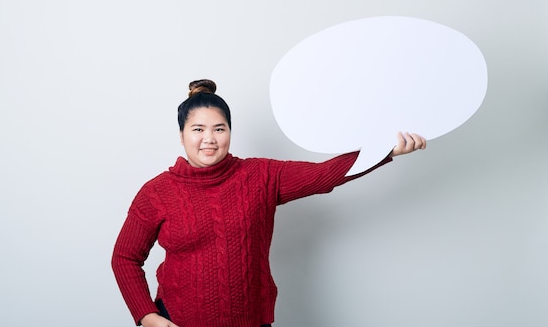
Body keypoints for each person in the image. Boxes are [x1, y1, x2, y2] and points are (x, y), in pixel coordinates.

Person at [112, 79, 426, 327]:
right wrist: (147, 316)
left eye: (219, 129)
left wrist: (385, 151)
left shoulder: (260, 175)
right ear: (182, 136)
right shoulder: (156, 192)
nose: (209, 138)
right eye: (198, 130)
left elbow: (323, 175)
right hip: (177, 321)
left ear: (229, 133)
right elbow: (124, 257)